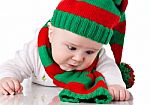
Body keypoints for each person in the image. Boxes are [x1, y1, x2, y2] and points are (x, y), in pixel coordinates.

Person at [0, 0, 134, 102]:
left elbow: (109, 68)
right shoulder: (35, 51)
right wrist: (8, 78)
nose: (78, 58)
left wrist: (116, 85)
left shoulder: (98, 56)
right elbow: (14, 65)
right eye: (72, 48)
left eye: (89, 52)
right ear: (51, 34)